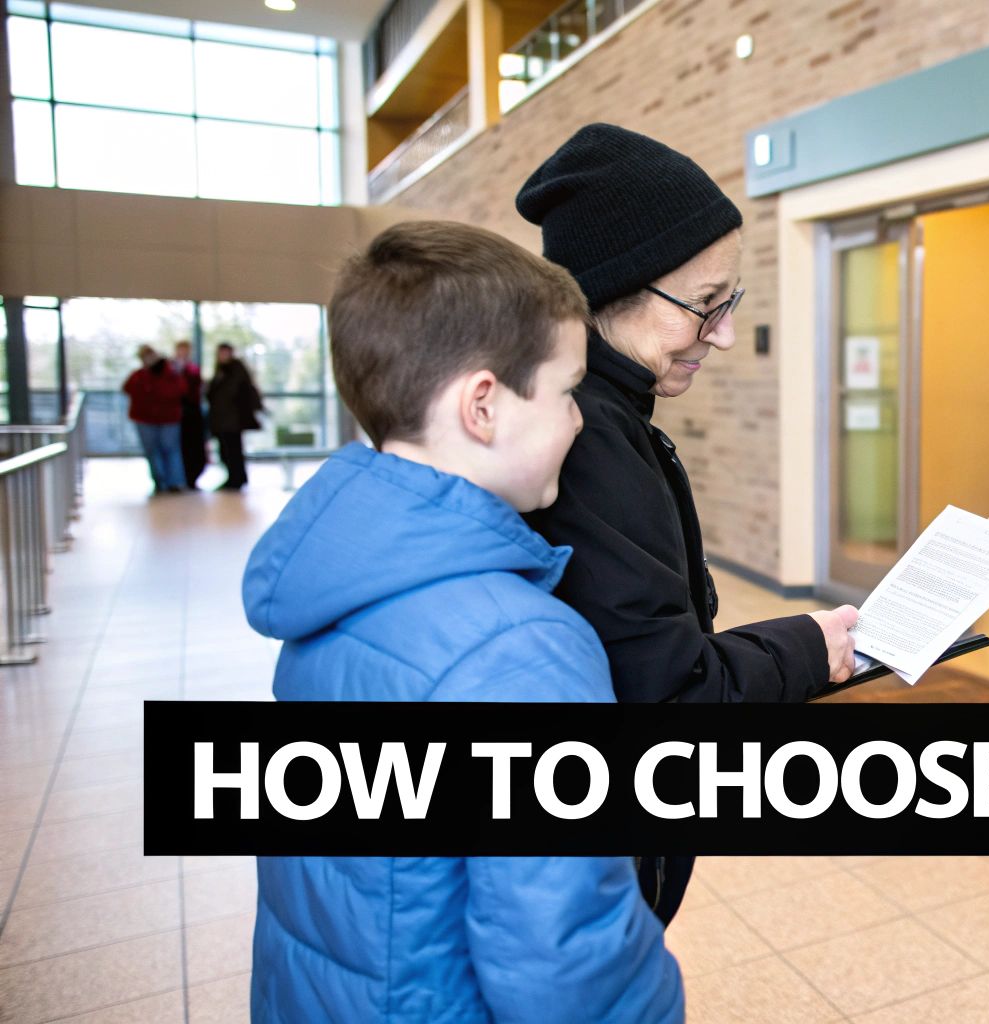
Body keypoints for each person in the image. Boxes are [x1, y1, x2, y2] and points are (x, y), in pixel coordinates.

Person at [241, 220, 682, 1023]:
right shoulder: (521, 653)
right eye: (567, 391)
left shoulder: (336, 587)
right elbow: (566, 955)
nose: (581, 421)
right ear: (483, 405)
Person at [516, 124, 859, 924]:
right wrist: (810, 647)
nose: (727, 333)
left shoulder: (603, 413)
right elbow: (667, 694)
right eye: (704, 306)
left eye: (729, 302)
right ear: (612, 287)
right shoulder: (584, 442)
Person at [121, 345, 186, 495]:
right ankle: (159, 481)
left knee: (171, 450)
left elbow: (180, 390)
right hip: (145, 419)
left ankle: (175, 482)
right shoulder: (138, 375)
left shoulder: (170, 372)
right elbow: (127, 389)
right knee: (152, 450)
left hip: (168, 418)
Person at [206, 343, 263, 491]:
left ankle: (236, 479)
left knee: (233, 450)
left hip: (232, 420)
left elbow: (231, 394)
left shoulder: (235, 370)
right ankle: (235, 477)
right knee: (228, 450)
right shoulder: (221, 370)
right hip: (223, 419)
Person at [171, 340, 207, 489]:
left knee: (195, 448)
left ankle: (192, 477)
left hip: (193, 414)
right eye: (181, 350)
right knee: (179, 448)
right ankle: (179, 479)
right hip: (177, 415)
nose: (183, 354)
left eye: (186, 350)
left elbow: (194, 389)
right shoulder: (171, 369)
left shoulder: (193, 369)